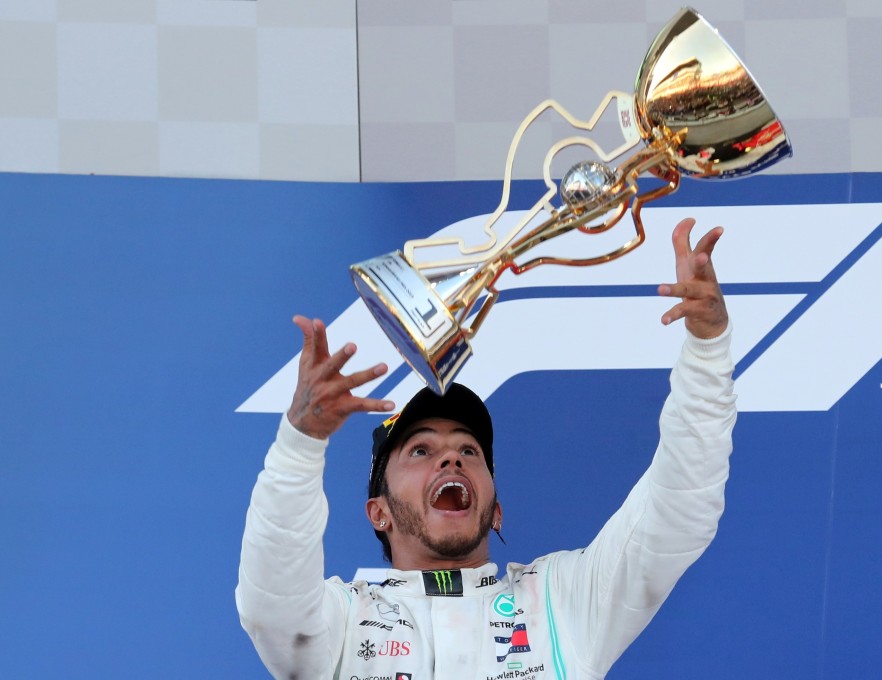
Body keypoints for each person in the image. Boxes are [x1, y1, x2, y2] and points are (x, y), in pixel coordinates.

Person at [236, 217, 737, 679]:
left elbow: (680, 509)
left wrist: (708, 347)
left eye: (469, 451)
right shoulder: (341, 621)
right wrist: (301, 443)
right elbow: (269, 602)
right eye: (419, 450)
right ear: (379, 513)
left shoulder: (561, 601)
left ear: (496, 510)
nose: (450, 458)